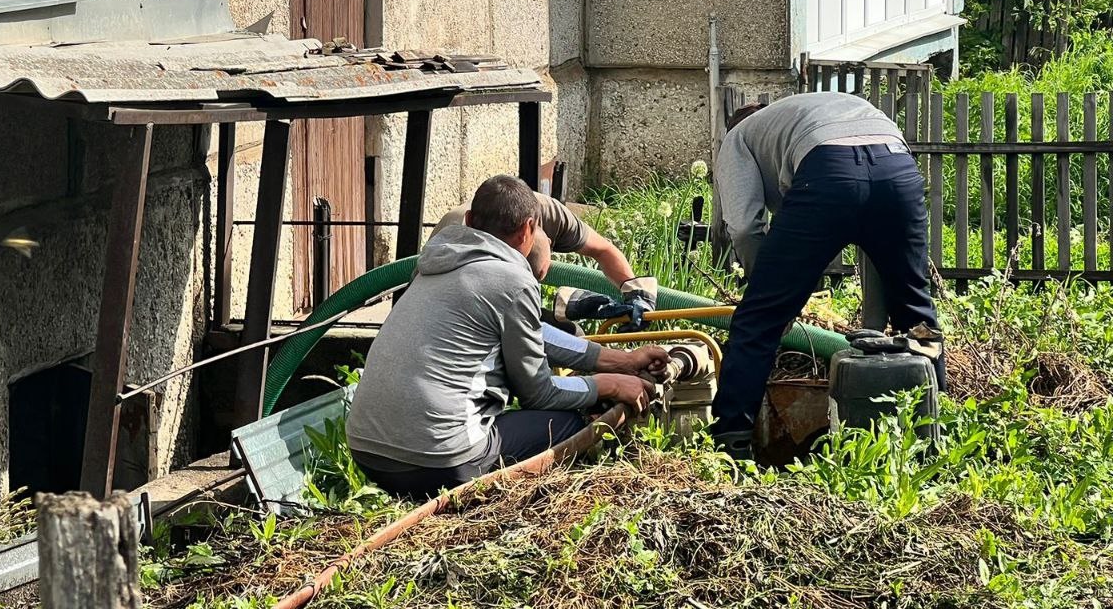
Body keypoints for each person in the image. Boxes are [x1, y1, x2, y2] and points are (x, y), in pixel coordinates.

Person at [348, 175, 655, 500]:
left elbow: (533, 332)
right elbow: (540, 393)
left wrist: (623, 361)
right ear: (528, 230)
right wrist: (610, 385)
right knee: (572, 420)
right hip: (440, 462)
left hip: (367, 452)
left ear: (468, 221)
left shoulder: (433, 266)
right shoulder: (511, 280)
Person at [711, 92, 942, 459]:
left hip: (827, 172)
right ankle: (932, 441)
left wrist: (766, 295)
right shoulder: (811, 110)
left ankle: (730, 447)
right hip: (897, 166)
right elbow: (874, 245)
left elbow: (742, 227)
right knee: (915, 313)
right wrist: (875, 324)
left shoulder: (738, 137)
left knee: (757, 323)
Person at [436, 190, 658, 332]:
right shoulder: (463, 236)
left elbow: (604, 250)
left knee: (570, 335)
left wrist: (636, 294)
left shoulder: (552, 216)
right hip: (456, 308)